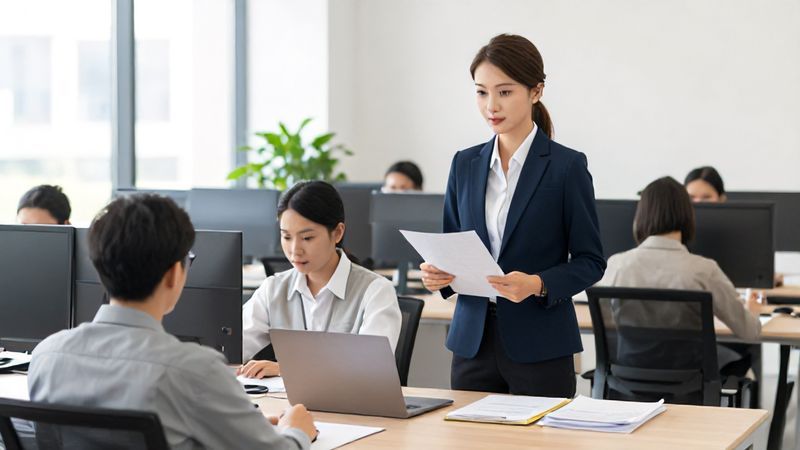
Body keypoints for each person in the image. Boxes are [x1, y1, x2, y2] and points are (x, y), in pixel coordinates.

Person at [27, 194, 317, 449]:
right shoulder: (194, 370)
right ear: (173, 275)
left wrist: (240, 427)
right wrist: (296, 432)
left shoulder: (47, 357)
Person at [419, 34, 606, 397]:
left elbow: (591, 261)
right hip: (472, 342)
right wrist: (438, 275)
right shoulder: (464, 164)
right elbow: (452, 245)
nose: (492, 105)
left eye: (504, 92)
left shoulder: (567, 167)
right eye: (481, 92)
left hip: (540, 345)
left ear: (535, 91)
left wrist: (536, 284)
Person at [598, 176, 761, 376]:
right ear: (688, 215)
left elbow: (604, 320)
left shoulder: (616, 265)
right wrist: (753, 312)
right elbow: (749, 332)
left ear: (640, 215)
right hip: (690, 383)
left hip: (627, 379)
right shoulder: (704, 270)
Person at [239, 180, 402, 379]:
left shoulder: (376, 291)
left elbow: (371, 367)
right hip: (287, 407)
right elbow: (234, 346)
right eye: (287, 237)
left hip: (350, 408)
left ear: (338, 233)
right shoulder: (273, 288)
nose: (295, 250)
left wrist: (286, 369)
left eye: (307, 238)